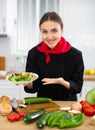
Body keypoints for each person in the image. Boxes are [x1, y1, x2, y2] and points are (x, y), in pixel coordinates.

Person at [24, 12, 84, 101]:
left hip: (67, 104)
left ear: (62, 30)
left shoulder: (75, 55)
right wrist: (28, 83)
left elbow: (78, 87)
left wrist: (62, 82)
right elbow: (33, 88)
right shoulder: (34, 54)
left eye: (54, 31)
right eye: (44, 32)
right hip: (43, 104)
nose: (49, 36)